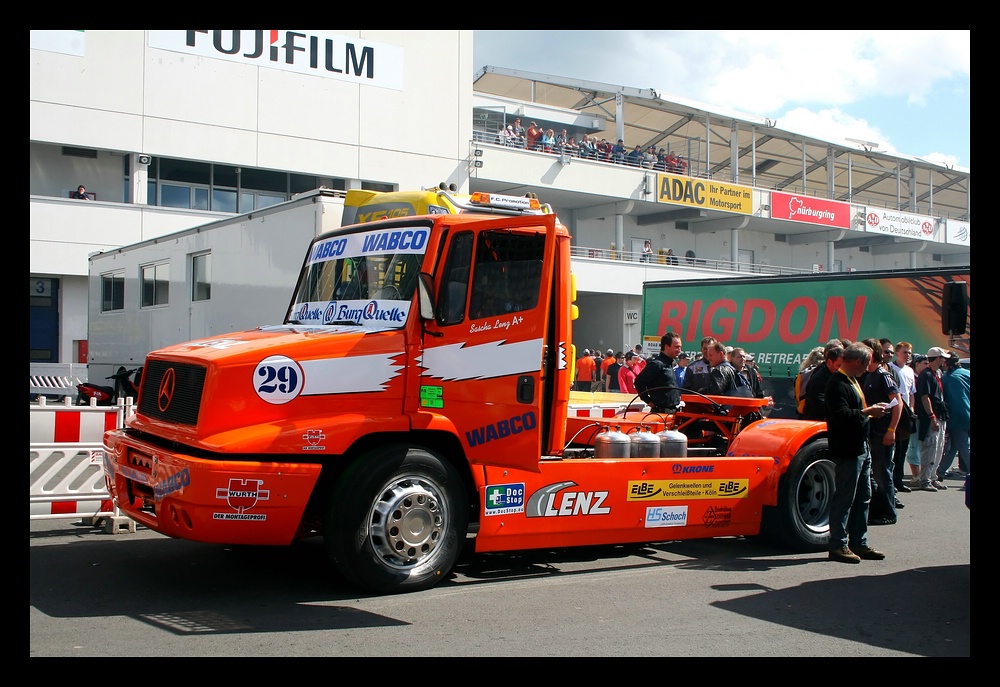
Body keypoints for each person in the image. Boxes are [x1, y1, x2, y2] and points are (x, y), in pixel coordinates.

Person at [825, 342, 888, 564]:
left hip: (861, 446)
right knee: (845, 498)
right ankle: (838, 545)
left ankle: (858, 542)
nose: (867, 368)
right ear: (859, 361)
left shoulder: (851, 380)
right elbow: (841, 415)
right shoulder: (837, 383)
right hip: (848, 448)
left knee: (863, 497)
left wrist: (867, 412)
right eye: (866, 363)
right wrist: (867, 412)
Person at [862, 339, 903, 525]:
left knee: (882, 472)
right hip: (872, 430)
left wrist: (891, 430)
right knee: (875, 472)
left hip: (882, 431)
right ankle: (878, 509)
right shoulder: (868, 375)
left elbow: (898, 403)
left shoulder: (882, 375)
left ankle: (888, 513)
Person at [915, 346, 952, 492]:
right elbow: (925, 397)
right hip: (932, 417)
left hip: (941, 415)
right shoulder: (926, 375)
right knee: (930, 447)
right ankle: (924, 479)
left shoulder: (937, 372)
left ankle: (933, 477)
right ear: (937, 358)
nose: (944, 361)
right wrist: (932, 417)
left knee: (939, 448)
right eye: (942, 358)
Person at [890, 341, 917, 493]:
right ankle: (891, 481)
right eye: (905, 352)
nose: (907, 355)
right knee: (893, 450)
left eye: (909, 353)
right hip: (895, 411)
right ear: (897, 353)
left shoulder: (909, 371)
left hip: (906, 413)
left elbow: (912, 393)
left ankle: (898, 480)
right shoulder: (891, 369)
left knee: (903, 449)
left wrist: (911, 409)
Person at [938, 354, 970, 480]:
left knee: (963, 446)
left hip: (958, 416)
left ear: (946, 364)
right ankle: (939, 472)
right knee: (954, 447)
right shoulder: (967, 373)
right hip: (967, 413)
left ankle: (939, 472)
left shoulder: (947, 378)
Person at [634, 331, 683, 413]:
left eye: (680, 347)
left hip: (672, 412)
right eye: (677, 347)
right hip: (661, 413)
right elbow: (639, 381)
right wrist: (647, 400)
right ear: (667, 346)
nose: (679, 350)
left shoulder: (670, 364)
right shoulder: (657, 364)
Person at [802, 344, 844, 421]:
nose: (841, 369)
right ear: (829, 362)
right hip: (816, 422)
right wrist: (840, 408)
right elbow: (818, 403)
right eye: (838, 365)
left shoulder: (835, 375)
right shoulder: (819, 378)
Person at [795, 346, 826, 418]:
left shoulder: (801, 375)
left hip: (802, 411)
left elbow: (797, 396)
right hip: (817, 414)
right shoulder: (822, 375)